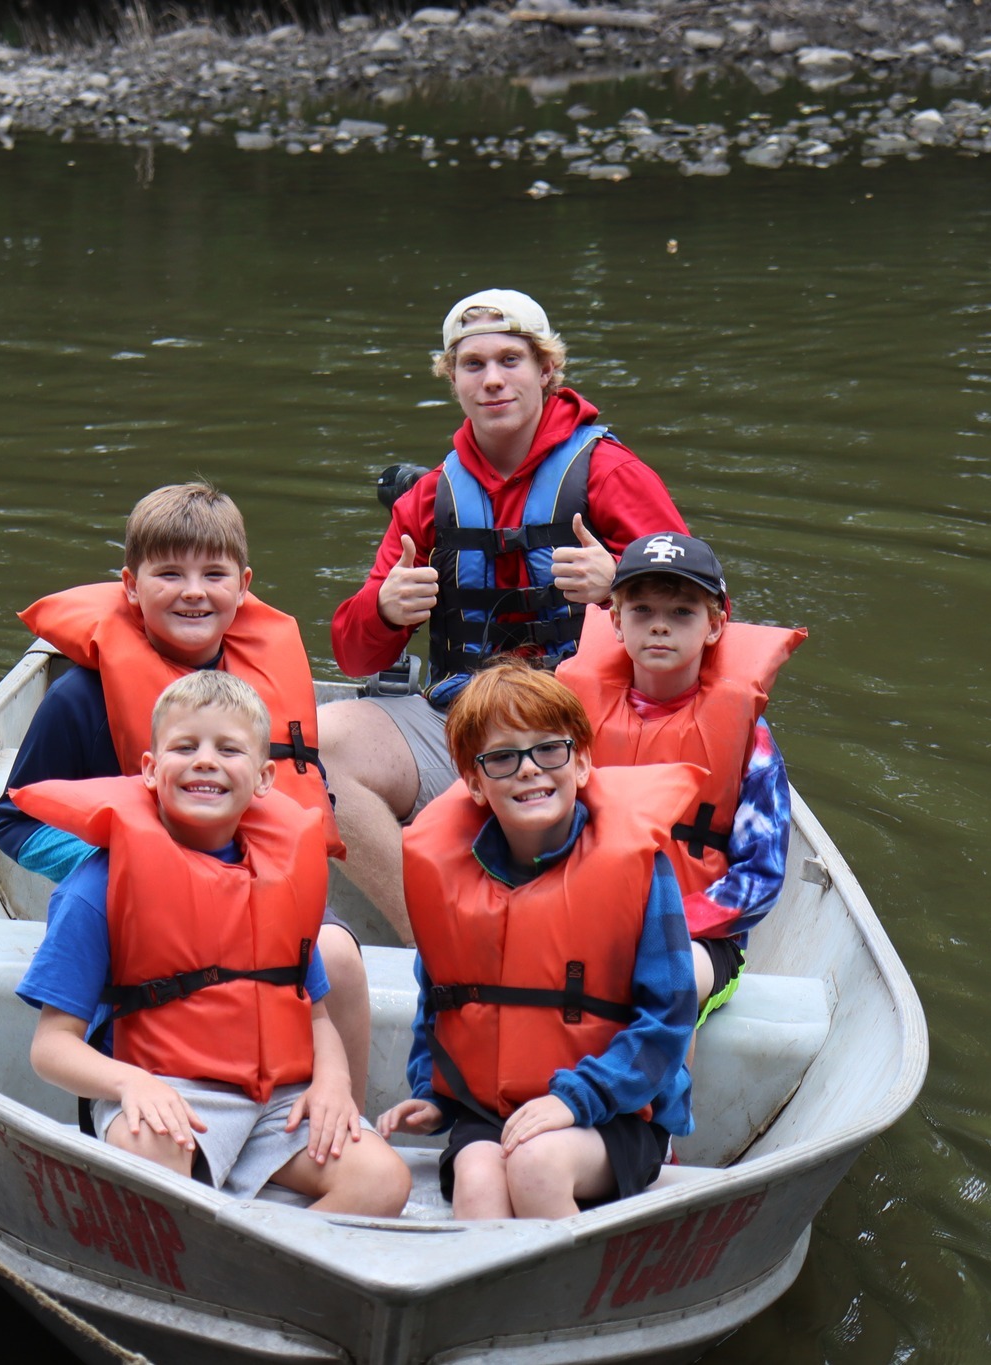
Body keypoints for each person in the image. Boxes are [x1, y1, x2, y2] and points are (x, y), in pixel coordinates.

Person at [322, 289, 689, 942]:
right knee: (315, 748)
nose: (492, 379)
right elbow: (355, 657)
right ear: (453, 377)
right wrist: (384, 609)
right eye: (473, 364)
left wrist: (619, 592)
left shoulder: (610, 474)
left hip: (584, 733)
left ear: (546, 370)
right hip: (461, 722)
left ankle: (571, 930)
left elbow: (709, 624)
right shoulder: (431, 496)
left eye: (510, 360)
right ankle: (434, 940)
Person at [0, 483, 373, 1108]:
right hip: (146, 905)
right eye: (169, 573)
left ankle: (338, 1118)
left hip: (256, 886)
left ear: (243, 585)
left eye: (213, 573)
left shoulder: (267, 682)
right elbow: (13, 822)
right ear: (131, 586)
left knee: (340, 956)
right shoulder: (79, 700)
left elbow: (302, 796)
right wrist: (123, 867)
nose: (193, 591)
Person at [13, 671, 412, 1215]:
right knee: (149, 1156)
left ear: (265, 778)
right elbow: (51, 1048)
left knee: (384, 1181)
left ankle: (269, 1276)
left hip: (278, 1104)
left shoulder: (283, 880)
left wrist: (334, 1084)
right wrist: (131, 1084)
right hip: (166, 1090)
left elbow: (315, 1017)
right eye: (185, 746)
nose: (206, 761)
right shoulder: (95, 890)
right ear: (150, 771)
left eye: (229, 749)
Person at [376, 659, 697, 1220]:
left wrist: (575, 1100)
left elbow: (668, 1020)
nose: (528, 770)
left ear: (581, 763)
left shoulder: (641, 868)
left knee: (535, 1164)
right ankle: (485, 1306)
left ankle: (567, 1304)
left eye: (549, 750)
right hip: (489, 1108)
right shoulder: (449, 877)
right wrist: (431, 1094)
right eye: (501, 758)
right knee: (477, 1180)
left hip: (613, 1111)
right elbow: (442, 1003)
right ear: (473, 783)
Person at [556, 533, 805, 1023]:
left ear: (715, 626)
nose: (660, 627)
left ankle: (666, 1103)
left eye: (682, 613)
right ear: (616, 622)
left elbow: (761, 876)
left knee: (665, 977)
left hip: (696, 940)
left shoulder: (750, 741)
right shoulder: (566, 721)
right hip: (582, 917)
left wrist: (664, 928)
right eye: (643, 611)